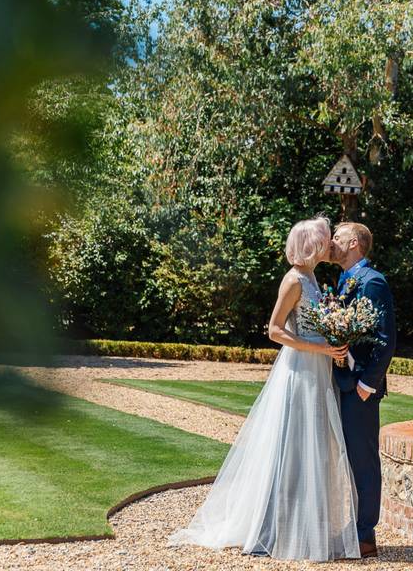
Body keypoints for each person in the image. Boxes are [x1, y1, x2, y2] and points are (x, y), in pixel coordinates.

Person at [169, 216, 360, 561]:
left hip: (317, 369)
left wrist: (332, 341)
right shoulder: (293, 280)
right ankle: (271, 528)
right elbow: (274, 330)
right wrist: (320, 348)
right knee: (290, 444)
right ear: (311, 244)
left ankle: (306, 526)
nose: (328, 243)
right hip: (300, 370)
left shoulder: (313, 277)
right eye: (323, 238)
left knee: (313, 446)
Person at [330, 221, 397, 559]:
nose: (331, 242)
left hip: (358, 388)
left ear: (353, 243)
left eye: (337, 238)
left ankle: (364, 535)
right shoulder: (344, 280)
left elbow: (386, 340)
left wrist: (367, 386)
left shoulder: (373, 281)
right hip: (340, 381)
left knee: (363, 461)